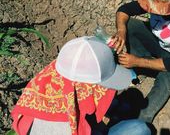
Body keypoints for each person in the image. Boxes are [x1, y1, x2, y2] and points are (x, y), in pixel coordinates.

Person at [11, 36, 151, 135]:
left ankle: (110, 113)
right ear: (87, 88)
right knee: (139, 129)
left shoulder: (47, 79)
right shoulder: (66, 129)